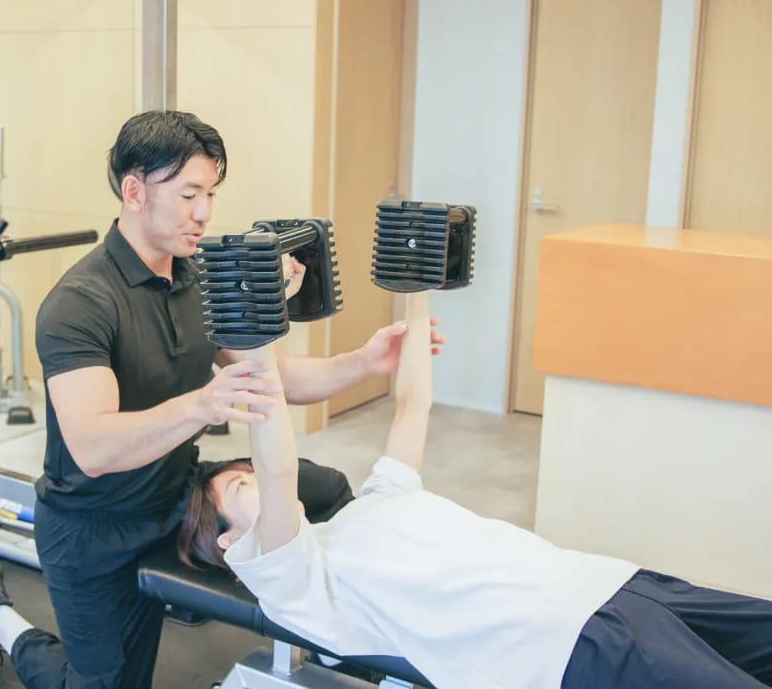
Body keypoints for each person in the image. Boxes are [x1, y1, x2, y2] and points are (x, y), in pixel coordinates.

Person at [0, 110, 442, 688]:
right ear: (135, 191)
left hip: (180, 493)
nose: (204, 212)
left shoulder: (200, 277)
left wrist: (364, 362)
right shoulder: (80, 303)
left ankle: (343, 637)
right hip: (96, 526)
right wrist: (205, 404)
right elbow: (93, 448)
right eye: (189, 195)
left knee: (326, 488)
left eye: (210, 194)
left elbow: (276, 377)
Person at [177, 290, 772, 689]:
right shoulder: (293, 581)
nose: (257, 479)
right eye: (241, 483)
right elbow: (278, 467)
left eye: (248, 473)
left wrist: (415, 291)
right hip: (569, 645)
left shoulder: (370, 506)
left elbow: (413, 405)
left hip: (611, 585)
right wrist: (256, 328)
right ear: (230, 543)